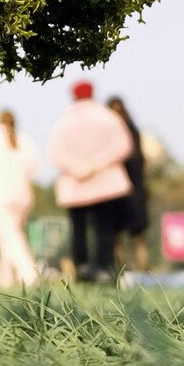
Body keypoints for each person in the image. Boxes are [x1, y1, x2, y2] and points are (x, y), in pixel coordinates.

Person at [48, 81, 133, 282]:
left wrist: (78, 168)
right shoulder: (107, 117)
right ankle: (104, 267)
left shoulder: (64, 121)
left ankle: (82, 268)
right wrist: (96, 165)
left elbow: (55, 153)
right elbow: (123, 145)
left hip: (75, 186)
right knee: (104, 229)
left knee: (78, 230)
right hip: (105, 184)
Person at [0, 109, 39, 286]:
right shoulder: (25, 140)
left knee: (11, 236)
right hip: (22, 195)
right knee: (6, 237)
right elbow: (33, 167)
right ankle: (5, 278)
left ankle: (29, 273)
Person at [107, 96, 150, 271]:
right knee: (121, 239)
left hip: (129, 192)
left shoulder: (128, 133)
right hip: (123, 192)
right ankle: (125, 272)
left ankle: (140, 272)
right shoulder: (131, 132)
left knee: (133, 238)